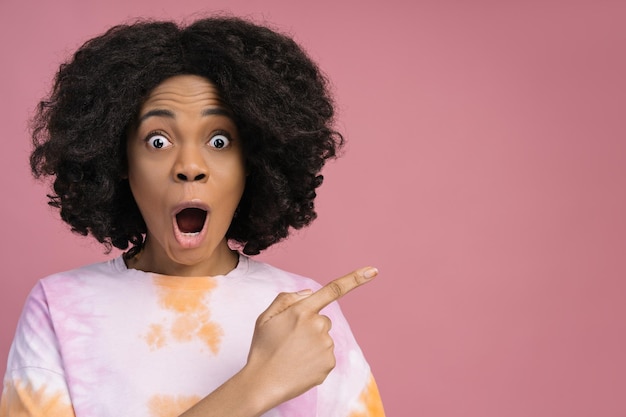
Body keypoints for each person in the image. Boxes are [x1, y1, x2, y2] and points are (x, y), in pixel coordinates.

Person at [0, 16, 385, 417]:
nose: (189, 166)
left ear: (251, 162)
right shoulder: (60, 309)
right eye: (158, 140)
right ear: (121, 160)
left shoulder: (306, 316)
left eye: (219, 141)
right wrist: (257, 384)